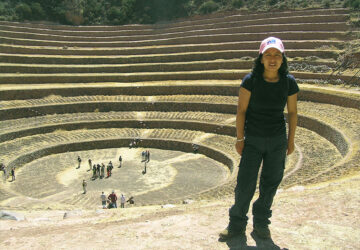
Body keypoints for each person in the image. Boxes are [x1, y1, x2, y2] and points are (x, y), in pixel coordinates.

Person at [219, 37, 299, 241]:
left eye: (277, 55)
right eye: (268, 55)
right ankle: (236, 224)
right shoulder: (250, 80)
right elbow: (241, 110)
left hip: (277, 140)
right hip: (253, 139)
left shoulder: (289, 82)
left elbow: (292, 113)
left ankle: (261, 223)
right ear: (261, 58)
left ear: (282, 58)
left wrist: (290, 142)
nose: (273, 59)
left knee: (270, 184)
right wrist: (239, 139)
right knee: (245, 184)